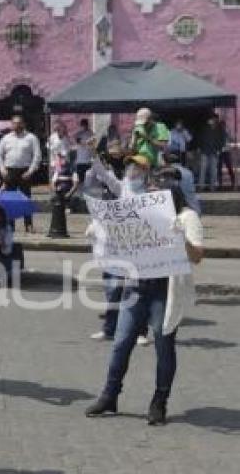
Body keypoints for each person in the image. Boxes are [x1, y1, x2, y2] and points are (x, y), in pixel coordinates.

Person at [86, 176, 205, 426]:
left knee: (163, 346)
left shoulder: (186, 217)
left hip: (165, 289)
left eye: (155, 196)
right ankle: (110, 395)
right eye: (148, 196)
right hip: (136, 287)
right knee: (121, 343)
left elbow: (197, 256)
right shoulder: (140, 213)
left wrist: (178, 240)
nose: (149, 200)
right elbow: (108, 232)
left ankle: (159, 402)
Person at [85, 154, 155, 347]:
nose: (131, 169)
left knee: (137, 291)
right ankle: (109, 329)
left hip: (140, 248)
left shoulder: (151, 193)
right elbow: (104, 176)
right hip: (119, 247)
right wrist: (94, 154)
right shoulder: (122, 187)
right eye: (130, 166)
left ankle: (141, 332)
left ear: (144, 171)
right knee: (114, 289)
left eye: (136, 167)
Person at [0, 115, 41, 232]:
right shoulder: (6, 138)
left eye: (19, 123)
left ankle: (28, 224)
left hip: (25, 171)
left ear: (23, 124)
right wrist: (2, 169)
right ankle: (10, 225)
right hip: (10, 171)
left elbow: (37, 155)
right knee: (10, 199)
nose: (17, 126)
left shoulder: (31, 138)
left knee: (26, 198)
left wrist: (30, 171)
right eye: (14, 123)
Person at [73, 118, 95, 186]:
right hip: (80, 160)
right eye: (82, 125)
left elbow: (92, 144)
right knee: (80, 179)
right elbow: (77, 140)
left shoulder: (91, 134)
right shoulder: (79, 134)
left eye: (84, 125)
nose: (83, 126)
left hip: (88, 160)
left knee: (87, 178)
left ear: (87, 125)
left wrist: (84, 143)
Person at [217, 119, 236, 190]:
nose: (222, 127)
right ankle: (220, 183)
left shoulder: (226, 132)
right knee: (220, 168)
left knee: (228, 167)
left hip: (225, 151)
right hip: (221, 152)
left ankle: (232, 181)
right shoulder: (219, 132)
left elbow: (231, 139)